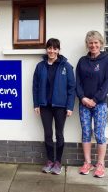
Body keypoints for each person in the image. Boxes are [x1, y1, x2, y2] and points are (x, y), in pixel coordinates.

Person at [33, 38, 75, 175]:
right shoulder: (40, 66)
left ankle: (58, 162)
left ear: (58, 50)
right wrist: (36, 104)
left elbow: (71, 88)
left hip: (60, 106)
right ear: (47, 49)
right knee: (48, 134)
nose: (52, 51)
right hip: (45, 106)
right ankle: (50, 160)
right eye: (49, 48)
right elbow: (35, 86)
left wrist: (70, 106)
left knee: (59, 134)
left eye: (54, 48)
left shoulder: (66, 66)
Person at [76, 30, 108, 178]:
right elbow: (77, 82)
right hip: (84, 103)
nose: (93, 45)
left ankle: (100, 164)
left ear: (101, 43)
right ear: (87, 44)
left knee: (99, 134)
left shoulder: (107, 60)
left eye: (96, 42)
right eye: (90, 43)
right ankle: (87, 163)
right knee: (86, 132)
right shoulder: (82, 61)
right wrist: (83, 98)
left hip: (100, 104)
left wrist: (95, 100)